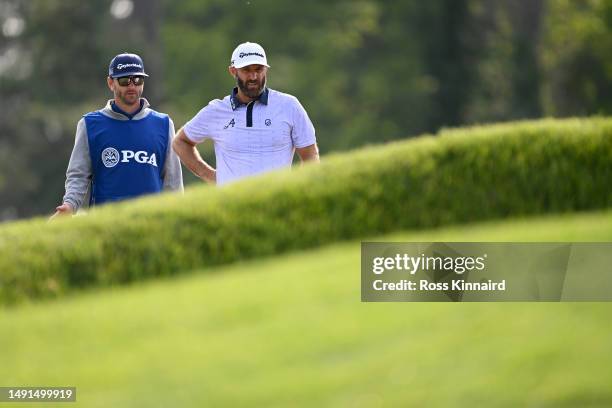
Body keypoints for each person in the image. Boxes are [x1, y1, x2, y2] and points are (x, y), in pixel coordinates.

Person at [51, 53, 183, 219]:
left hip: (152, 223)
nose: (132, 86)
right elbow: (78, 175)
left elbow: (173, 182)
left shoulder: (163, 124)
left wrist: (176, 217)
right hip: (105, 224)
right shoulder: (89, 125)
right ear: (111, 83)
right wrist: (70, 205)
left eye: (138, 80)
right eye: (124, 81)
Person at [173, 42, 319, 185]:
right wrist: (210, 175)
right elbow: (180, 142)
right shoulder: (216, 110)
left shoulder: (289, 106)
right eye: (246, 70)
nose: (253, 76)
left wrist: (298, 189)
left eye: (258, 69)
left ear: (266, 70)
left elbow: (310, 155)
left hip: (278, 203)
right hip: (231, 205)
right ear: (233, 71)